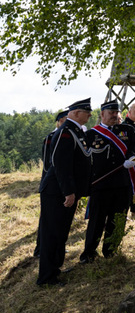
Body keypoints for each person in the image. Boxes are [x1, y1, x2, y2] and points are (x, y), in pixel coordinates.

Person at [36, 97, 93, 287]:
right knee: (52, 234)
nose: (89, 115)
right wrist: (68, 192)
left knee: (61, 232)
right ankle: (46, 277)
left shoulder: (75, 130)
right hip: (57, 191)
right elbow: (61, 165)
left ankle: (55, 268)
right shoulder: (65, 132)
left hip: (66, 191)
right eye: (87, 112)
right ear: (76, 113)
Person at [80, 99, 135, 263]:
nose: (114, 115)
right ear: (102, 114)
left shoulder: (127, 130)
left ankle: (111, 251)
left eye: (116, 112)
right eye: (111, 113)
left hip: (122, 183)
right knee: (97, 220)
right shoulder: (91, 134)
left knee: (118, 219)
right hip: (101, 185)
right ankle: (89, 254)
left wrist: (132, 157)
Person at [33, 110, 68, 258]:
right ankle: (40, 249)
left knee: (59, 219)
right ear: (59, 121)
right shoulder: (51, 137)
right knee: (47, 219)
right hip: (52, 184)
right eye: (65, 119)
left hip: (63, 184)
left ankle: (56, 248)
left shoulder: (66, 135)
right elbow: (48, 163)